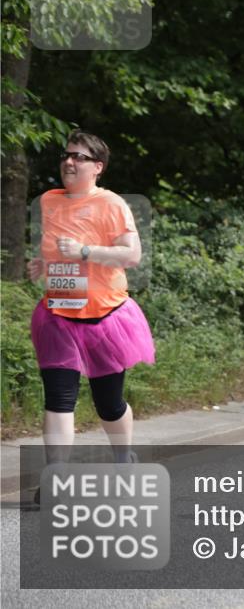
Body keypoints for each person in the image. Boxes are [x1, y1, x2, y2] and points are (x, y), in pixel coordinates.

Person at [27, 130, 155, 490]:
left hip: (106, 317)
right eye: (66, 155)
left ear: (97, 167)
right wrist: (43, 264)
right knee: (59, 398)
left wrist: (85, 251)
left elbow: (131, 256)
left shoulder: (112, 204)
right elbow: (56, 250)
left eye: (79, 157)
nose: (69, 161)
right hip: (58, 315)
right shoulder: (49, 201)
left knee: (108, 404)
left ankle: (122, 457)